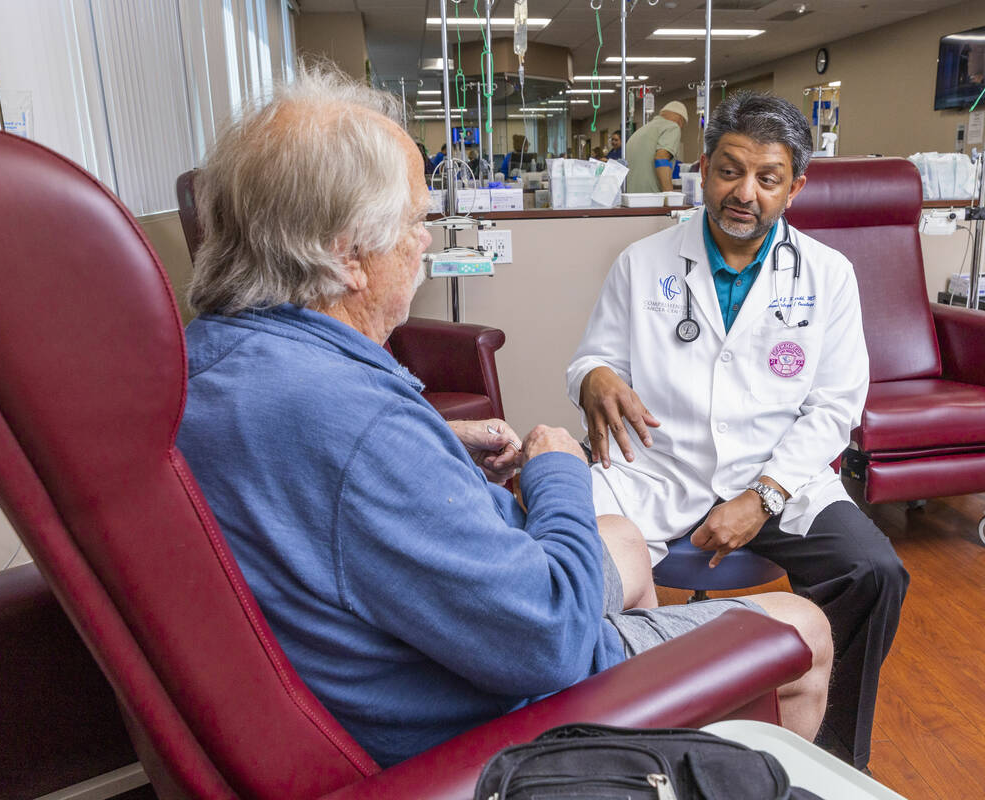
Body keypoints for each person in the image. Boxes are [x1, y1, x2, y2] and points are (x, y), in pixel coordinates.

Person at [175, 69, 832, 770]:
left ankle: (650, 745)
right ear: (347, 255)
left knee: (627, 543)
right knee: (805, 630)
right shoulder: (355, 426)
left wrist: (436, 442)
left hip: (419, 648)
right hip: (487, 713)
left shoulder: (213, 362)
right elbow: (543, 637)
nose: (424, 244)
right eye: (415, 224)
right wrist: (557, 473)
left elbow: (326, 482)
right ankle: (632, 751)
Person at [566, 90, 908, 772]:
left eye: (767, 177)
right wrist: (593, 378)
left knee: (874, 572)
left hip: (779, 478)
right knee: (580, 572)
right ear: (702, 168)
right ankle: (615, 745)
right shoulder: (643, 263)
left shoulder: (828, 276)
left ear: (796, 186)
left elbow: (835, 406)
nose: (743, 192)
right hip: (655, 469)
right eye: (729, 171)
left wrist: (765, 495)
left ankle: (829, 754)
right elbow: (592, 357)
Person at [624, 100, 687, 192]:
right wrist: (670, 196)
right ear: (680, 120)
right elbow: (661, 158)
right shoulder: (673, 127)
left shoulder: (641, 131)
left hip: (631, 198)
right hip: (651, 199)